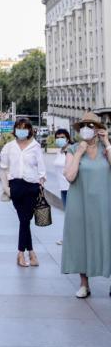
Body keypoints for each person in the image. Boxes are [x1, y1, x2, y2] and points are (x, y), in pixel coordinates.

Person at [60, 115, 111, 297]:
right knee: (81, 240)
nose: (86, 129)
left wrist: (107, 143)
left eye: (90, 125)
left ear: (97, 129)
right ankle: (84, 284)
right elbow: (70, 176)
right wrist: (79, 153)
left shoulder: (106, 148)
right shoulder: (73, 149)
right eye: (83, 126)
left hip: (105, 202)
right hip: (80, 202)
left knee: (107, 238)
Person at [0, 118, 48, 268]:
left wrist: (41, 185)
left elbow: (42, 170)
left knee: (25, 221)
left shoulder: (35, 146)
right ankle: (26, 253)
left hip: (32, 187)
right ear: (15, 129)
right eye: (19, 128)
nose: (22, 130)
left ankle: (26, 253)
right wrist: (7, 189)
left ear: (29, 130)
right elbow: (3, 168)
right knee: (24, 220)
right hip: (16, 186)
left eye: (25, 128)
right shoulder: (9, 147)